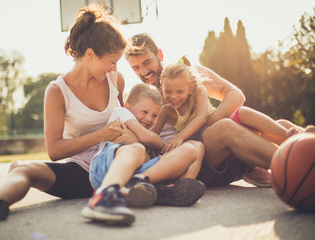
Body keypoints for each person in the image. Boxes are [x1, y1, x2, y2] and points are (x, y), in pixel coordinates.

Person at [0, 4, 127, 224]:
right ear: (91, 54)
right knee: (19, 167)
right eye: (112, 61)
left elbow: (127, 119)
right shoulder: (57, 91)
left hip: (115, 166)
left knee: (21, 167)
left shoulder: (115, 80)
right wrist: (101, 134)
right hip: (82, 173)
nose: (114, 68)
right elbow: (54, 150)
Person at [124, 33, 271, 186]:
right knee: (225, 128)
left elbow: (235, 95)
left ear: (159, 55)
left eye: (147, 62)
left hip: (216, 153)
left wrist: (210, 122)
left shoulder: (186, 76)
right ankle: (287, 161)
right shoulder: (139, 98)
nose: (143, 71)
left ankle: (274, 159)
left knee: (275, 123)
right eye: (135, 67)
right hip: (186, 160)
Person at [81, 83, 205, 225]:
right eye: (144, 112)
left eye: (154, 115)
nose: (149, 119)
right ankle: (103, 197)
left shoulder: (142, 133)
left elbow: (147, 153)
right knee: (137, 149)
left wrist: (143, 144)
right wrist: (155, 145)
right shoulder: (121, 112)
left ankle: (169, 190)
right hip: (106, 170)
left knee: (194, 148)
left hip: (138, 174)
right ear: (128, 106)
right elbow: (149, 138)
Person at [151, 62, 294, 154]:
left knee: (244, 112)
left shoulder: (198, 91)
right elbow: (153, 132)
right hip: (214, 135)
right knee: (258, 136)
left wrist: (179, 138)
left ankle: (294, 138)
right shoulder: (166, 110)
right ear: (162, 89)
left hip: (223, 124)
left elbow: (201, 119)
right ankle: (291, 150)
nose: (173, 96)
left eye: (179, 92)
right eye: (168, 91)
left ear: (190, 89)